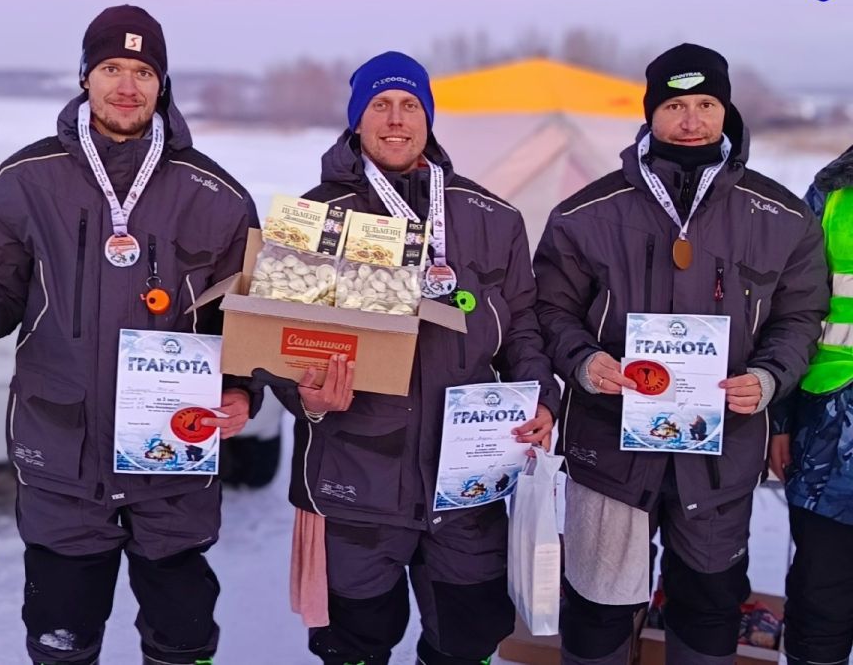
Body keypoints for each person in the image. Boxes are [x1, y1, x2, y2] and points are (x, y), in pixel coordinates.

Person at [0, 5, 258, 665]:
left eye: (142, 70)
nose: (127, 85)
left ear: (162, 82)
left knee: (183, 639)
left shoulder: (219, 195)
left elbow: (245, 315)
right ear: (86, 76)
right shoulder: (24, 181)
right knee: (62, 641)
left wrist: (245, 388)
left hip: (172, 465)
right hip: (62, 459)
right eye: (112, 68)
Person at [532, 43, 829, 665]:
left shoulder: (781, 217)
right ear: (651, 113)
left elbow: (800, 317)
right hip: (610, 451)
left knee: (710, 603)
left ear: (726, 109)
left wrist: (770, 378)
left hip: (721, 456)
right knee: (596, 608)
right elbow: (550, 311)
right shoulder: (587, 214)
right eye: (675, 105)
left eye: (706, 103)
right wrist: (584, 363)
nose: (691, 119)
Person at [270, 51, 561, 665]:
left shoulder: (492, 217)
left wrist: (542, 400)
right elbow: (275, 343)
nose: (395, 119)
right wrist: (304, 395)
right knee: (353, 643)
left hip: (466, 482)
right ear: (357, 120)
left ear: (428, 117)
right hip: (355, 479)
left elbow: (525, 329)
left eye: (410, 105)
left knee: (469, 637)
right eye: (380, 105)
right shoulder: (315, 217)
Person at [770, 144, 853, 665]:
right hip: (828, 437)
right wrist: (778, 420)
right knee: (820, 599)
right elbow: (790, 310)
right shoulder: (832, 192)